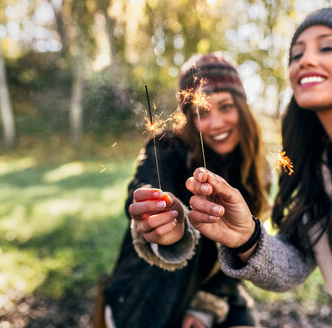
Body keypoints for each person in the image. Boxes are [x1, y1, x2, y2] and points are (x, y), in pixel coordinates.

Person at [136, 8, 332, 328]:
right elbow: (295, 261)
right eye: (296, 54)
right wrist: (246, 238)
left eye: (327, 46)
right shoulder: (313, 168)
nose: (305, 60)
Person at [97, 52, 272, 328]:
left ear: (242, 107)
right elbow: (148, 183)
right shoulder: (165, 148)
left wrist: (205, 306)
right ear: (189, 117)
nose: (215, 123)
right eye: (202, 112)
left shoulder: (254, 171)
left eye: (225, 106)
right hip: (150, 294)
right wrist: (166, 220)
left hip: (215, 287)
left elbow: (241, 248)